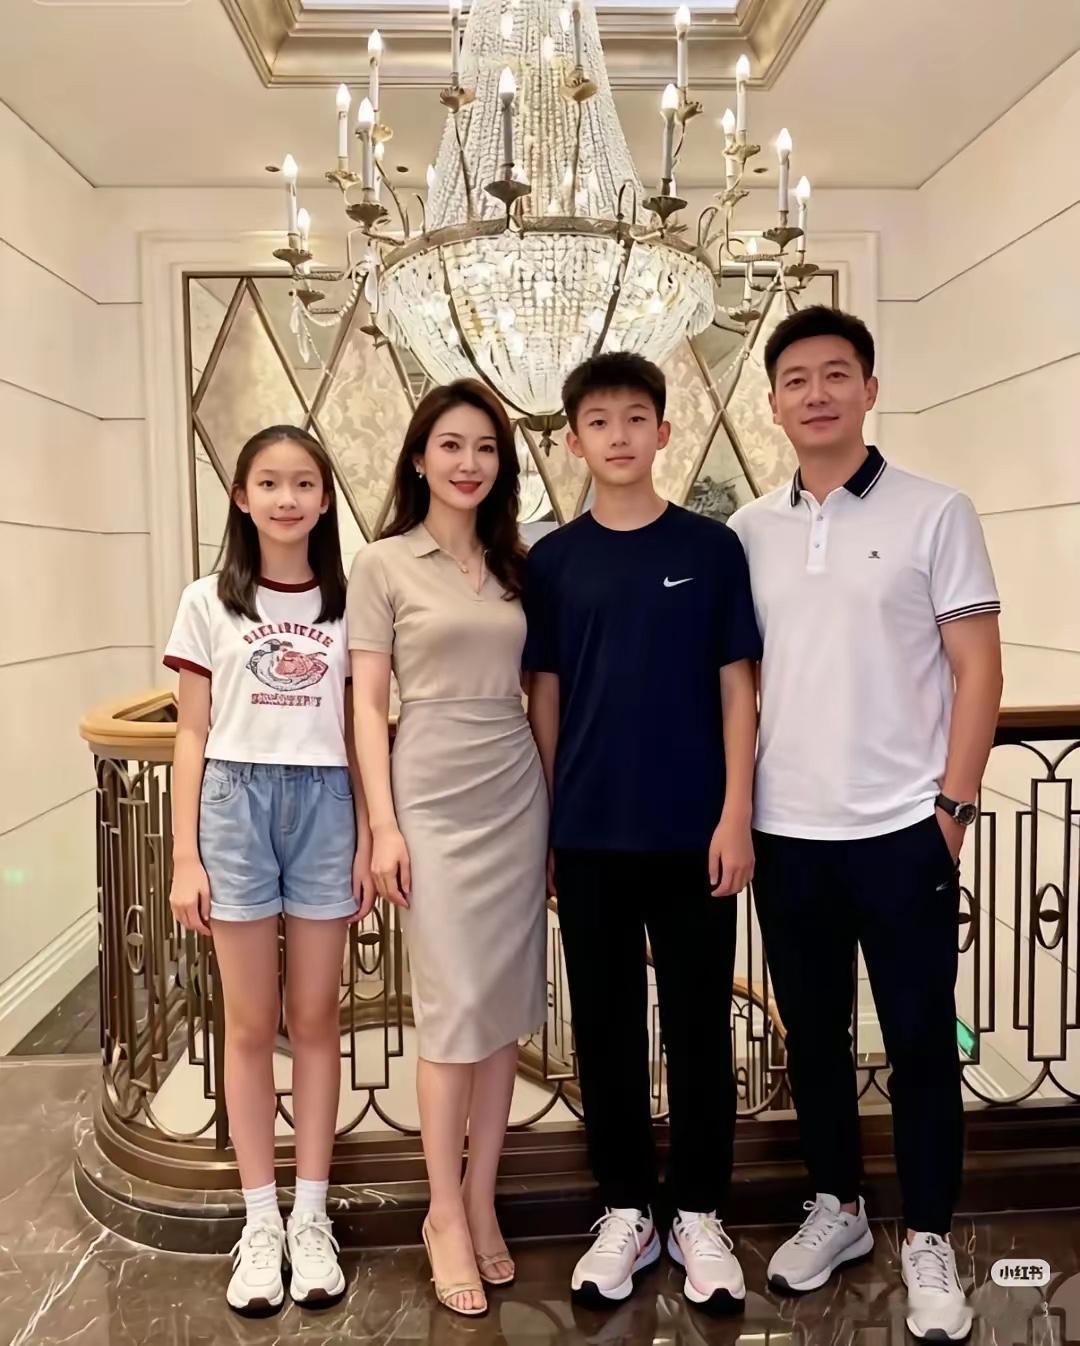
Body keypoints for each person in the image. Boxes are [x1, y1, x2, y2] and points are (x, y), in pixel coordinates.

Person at [727, 305, 1003, 1342]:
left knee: (922, 1040)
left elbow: (979, 669)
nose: (817, 394)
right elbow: (742, 684)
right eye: (796, 380)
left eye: (836, 374)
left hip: (902, 831)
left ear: (869, 389)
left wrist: (952, 810)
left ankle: (929, 1234)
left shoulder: (938, 512)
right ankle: (837, 1204)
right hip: (786, 831)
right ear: (773, 404)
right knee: (814, 1038)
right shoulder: (749, 530)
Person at [524, 351, 761, 1315]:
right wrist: (548, 825)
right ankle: (626, 1207)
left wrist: (736, 811)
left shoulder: (713, 549)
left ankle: (698, 1211)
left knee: (701, 1025)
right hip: (588, 835)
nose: (618, 436)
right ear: (573, 441)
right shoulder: (552, 562)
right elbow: (545, 699)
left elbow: (739, 688)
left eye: (635, 419)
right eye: (598, 421)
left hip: (696, 832)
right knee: (606, 1027)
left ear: (663, 433)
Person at [347, 380, 548, 1319]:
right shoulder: (383, 563)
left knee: (501, 1011)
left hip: (515, 789)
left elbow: (539, 690)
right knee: (451, 1009)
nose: (469, 463)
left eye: (486, 448)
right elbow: (365, 703)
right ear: (420, 459)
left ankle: (480, 1195)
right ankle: (440, 1211)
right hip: (428, 792)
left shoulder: (517, 565)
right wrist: (382, 824)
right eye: (452, 445)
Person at [166, 425, 372, 1317]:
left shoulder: (349, 602)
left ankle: (311, 1216)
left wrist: (370, 834)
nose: (287, 499)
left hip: (326, 803)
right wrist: (184, 856)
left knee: (316, 1017)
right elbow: (190, 731)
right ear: (241, 496)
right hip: (234, 804)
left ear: (325, 500)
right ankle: (260, 1221)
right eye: (270, 483)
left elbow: (363, 726)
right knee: (250, 1025)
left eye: (304, 484)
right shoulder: (208, 600)